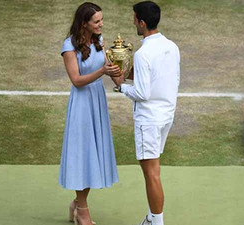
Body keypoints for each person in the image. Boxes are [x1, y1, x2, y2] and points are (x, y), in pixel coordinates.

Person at [111, 1, 180, 225]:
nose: (133, 22)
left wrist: (121, 85)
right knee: (152, 169)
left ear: (142, 22)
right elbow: (164, 77)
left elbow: (141, 92)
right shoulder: (172, 46)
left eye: (134, 19)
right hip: (166, 116)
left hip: (148, 120)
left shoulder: (142, 54)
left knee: (151, 173)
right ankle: (151, 218)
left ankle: (156, 222)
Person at [58, 2, 121, 225]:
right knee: (83, 155)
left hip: (97, 103)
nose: (101, 24)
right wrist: (102, 71)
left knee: (92, 155)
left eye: (102, 20)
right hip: (82, 105)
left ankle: (77, 203)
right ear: (84, 23)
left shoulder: (99, 41)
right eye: (97, 21)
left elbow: (112, 70)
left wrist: (118, 70)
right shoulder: (69, 46)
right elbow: (76, 81)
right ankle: (82, 211)